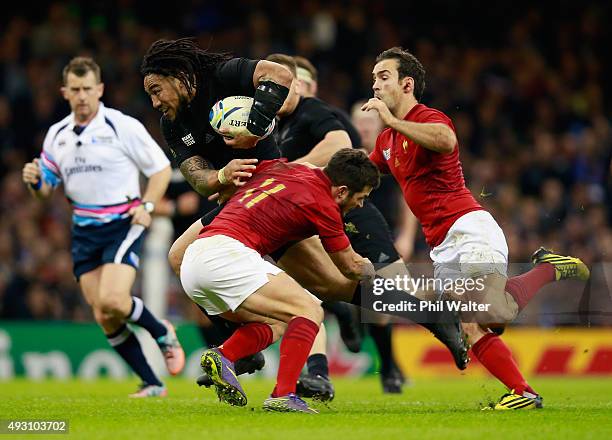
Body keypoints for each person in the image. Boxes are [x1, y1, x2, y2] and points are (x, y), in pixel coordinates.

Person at [141, 38, 470, 377]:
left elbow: (279, 74)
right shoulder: (173, 123)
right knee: (182, 256)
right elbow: (198, 177)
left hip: (274, 191)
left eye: (156, 89)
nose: (154, 102)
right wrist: (221, 175)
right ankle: (244, 345)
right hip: (238, 203)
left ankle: (429, 318)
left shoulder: (223, 75)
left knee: (333, 284)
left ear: (177, 75)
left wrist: (254, 127)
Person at [362, 47, 590, 409]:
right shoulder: (387, 142)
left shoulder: (428, 118)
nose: (375, 84)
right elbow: (361, 169)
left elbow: (446, 140)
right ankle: (525, 383)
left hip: (469, 229)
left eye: (383, 76)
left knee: (483, 314)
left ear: (407, 84)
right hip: (442, 246)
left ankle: (525, 388)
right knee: (474, 323)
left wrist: (391, 121)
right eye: (373, 77)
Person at [21, 56, 184, 397]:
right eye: (75, 89)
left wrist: (148, 205)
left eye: (88, 89)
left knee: (112, 298)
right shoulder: (57, 135)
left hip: (123, 221)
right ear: (65, 92)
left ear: (100, 90)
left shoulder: (121, 126)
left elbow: (160, 170)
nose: (82, 96)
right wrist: (36, 181)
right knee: (104, 313)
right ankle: (152, 383)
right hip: (84, 229)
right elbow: (46, 190)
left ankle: (162, 331)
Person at [180, 149, 380, 413]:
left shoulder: (281, 168)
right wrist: (375, 274)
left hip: (195, 259)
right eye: (361, 197)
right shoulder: (323, 203)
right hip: (227, 255)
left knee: (280, 321)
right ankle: (283, 395)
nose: (361, 205)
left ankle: (223, 356)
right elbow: (351, 267)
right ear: (342, 191)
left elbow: (243, 179)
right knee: (309, 309)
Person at [268, 53, 406, 394]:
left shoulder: (328, 120)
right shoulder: (283, 127)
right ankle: (322, 363)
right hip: (323, 217)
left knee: (384, 293)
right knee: (313, 286)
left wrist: (406, 233)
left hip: (367, 217)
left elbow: (403, 192)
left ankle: (388, 363)